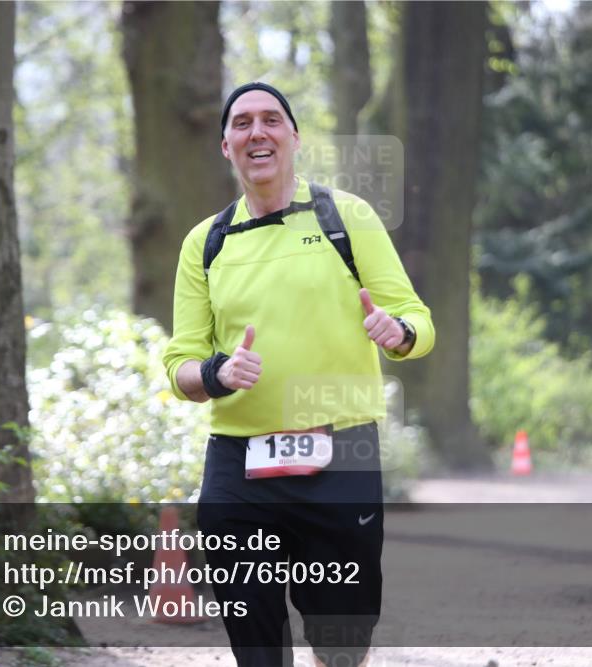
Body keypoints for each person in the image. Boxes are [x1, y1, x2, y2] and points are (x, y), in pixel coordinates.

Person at [162, 81, 434, 667]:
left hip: (341, 453)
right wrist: (217, 372)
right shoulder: (204, 244)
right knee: (255, 639)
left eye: (270, 120)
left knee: (342, 639)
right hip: (239, 460)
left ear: (293, 137)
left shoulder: (347, 218)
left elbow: (417, 319)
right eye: (241, 123)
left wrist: (400, 332)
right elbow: (178, 366)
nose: (256, 132)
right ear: (226, 146)